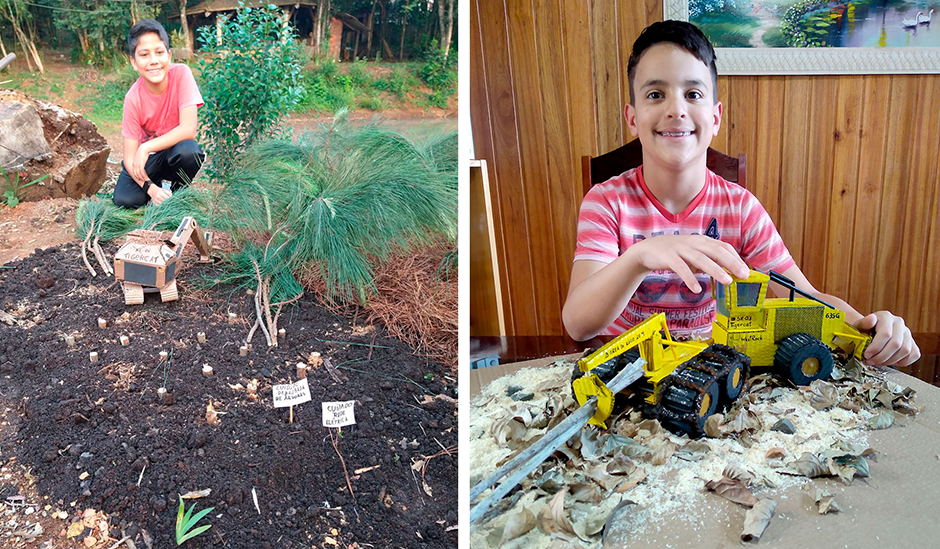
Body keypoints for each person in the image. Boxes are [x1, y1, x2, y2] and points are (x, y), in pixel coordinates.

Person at [562, 20, 920, 367]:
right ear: (632, 117)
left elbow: (804, 297)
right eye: (655, 94)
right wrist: (640, 256)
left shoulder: (740, 208)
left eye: (693, 94)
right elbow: (578, 324)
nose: (675, 109)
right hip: (630, 370)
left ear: (715, 118)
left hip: (712, 368)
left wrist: (868, 326)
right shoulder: (606, 201)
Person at [113, 19, 205, 209]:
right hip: (148, 162)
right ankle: (159, 192)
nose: (153, 60)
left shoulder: (182, 74)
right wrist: (150, 188)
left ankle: (177, 195)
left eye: (159, 52)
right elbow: (130, 159)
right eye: (144, 55)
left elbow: (189, 129)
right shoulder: (133, 99)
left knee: (189, 152)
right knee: (125, 199)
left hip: (173, 152)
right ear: (134, 62)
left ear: (169, 56)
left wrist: (145, 147)